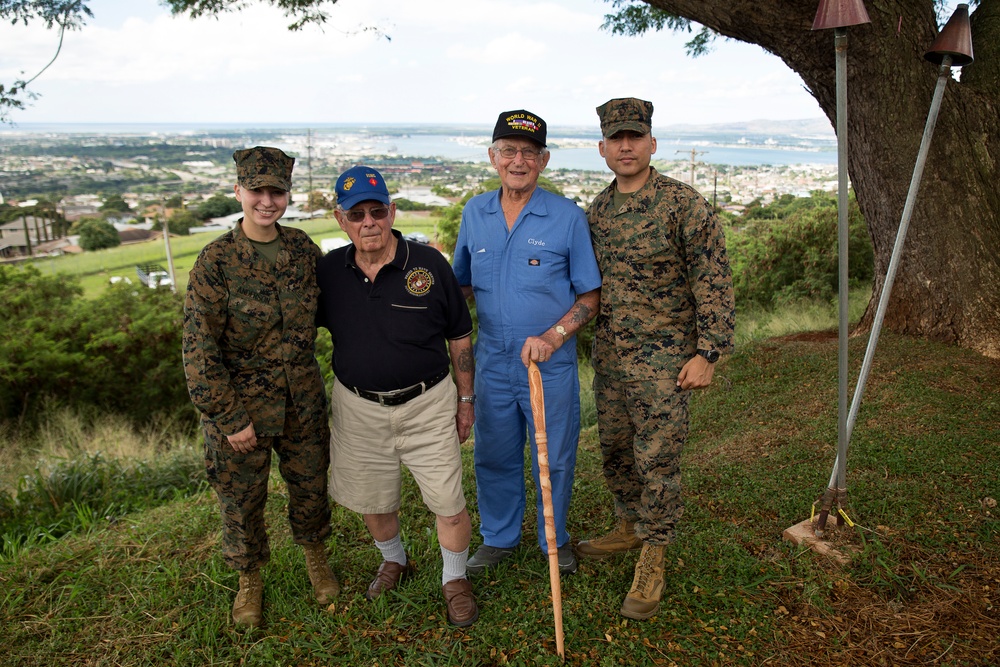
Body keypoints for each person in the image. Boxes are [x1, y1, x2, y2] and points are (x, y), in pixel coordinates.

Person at [579, 98, 736, 620]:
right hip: (612, 359)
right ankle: (629, 524)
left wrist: (708, 353)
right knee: (616, 450)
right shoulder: (598, 211)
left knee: (658, 460)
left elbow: (713, 279)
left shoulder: (681, 204)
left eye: (635, 137)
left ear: (651, 143)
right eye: (616, 139)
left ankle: (654, 554)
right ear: (602, 148)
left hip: (666, 361)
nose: (625, 147)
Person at [316, 166, 479, 627]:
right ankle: (394, 560)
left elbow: (460, 337)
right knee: (374, 499)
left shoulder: (429, 264)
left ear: (391, 212)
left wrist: (466, 401)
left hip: (428, 404)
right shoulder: (328, 272)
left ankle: (454, 579)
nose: (368, 222)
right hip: (358, 408)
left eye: (376, 211)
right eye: (356, 214)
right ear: (341, 220)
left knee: (448, 501)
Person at [183, 146, 339, 628]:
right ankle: (249, 579)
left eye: (277, 191)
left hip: (302, 402)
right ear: (239, 191)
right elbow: (198, 350)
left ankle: (316, 559)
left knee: (310, 487)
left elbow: (336, 311)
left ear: (288, 195)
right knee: (242, 501)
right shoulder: (216, 261)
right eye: (257, 191)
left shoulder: (302, 250)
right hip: (241, 409)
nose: (267, 201)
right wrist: (230, 419)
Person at [453, 110, 602, 576]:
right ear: (493, 156)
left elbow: (590, 296)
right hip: (492, 363)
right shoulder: (475, 213)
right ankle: (499, 538)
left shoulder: (567, 217)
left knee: (554, 458)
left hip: (548, 365)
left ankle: (554, 539)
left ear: (544, 160)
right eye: (509, 151)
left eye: (529, 153)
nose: (518, 161)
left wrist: (555, 336)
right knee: (493, 454)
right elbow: (460, 287)